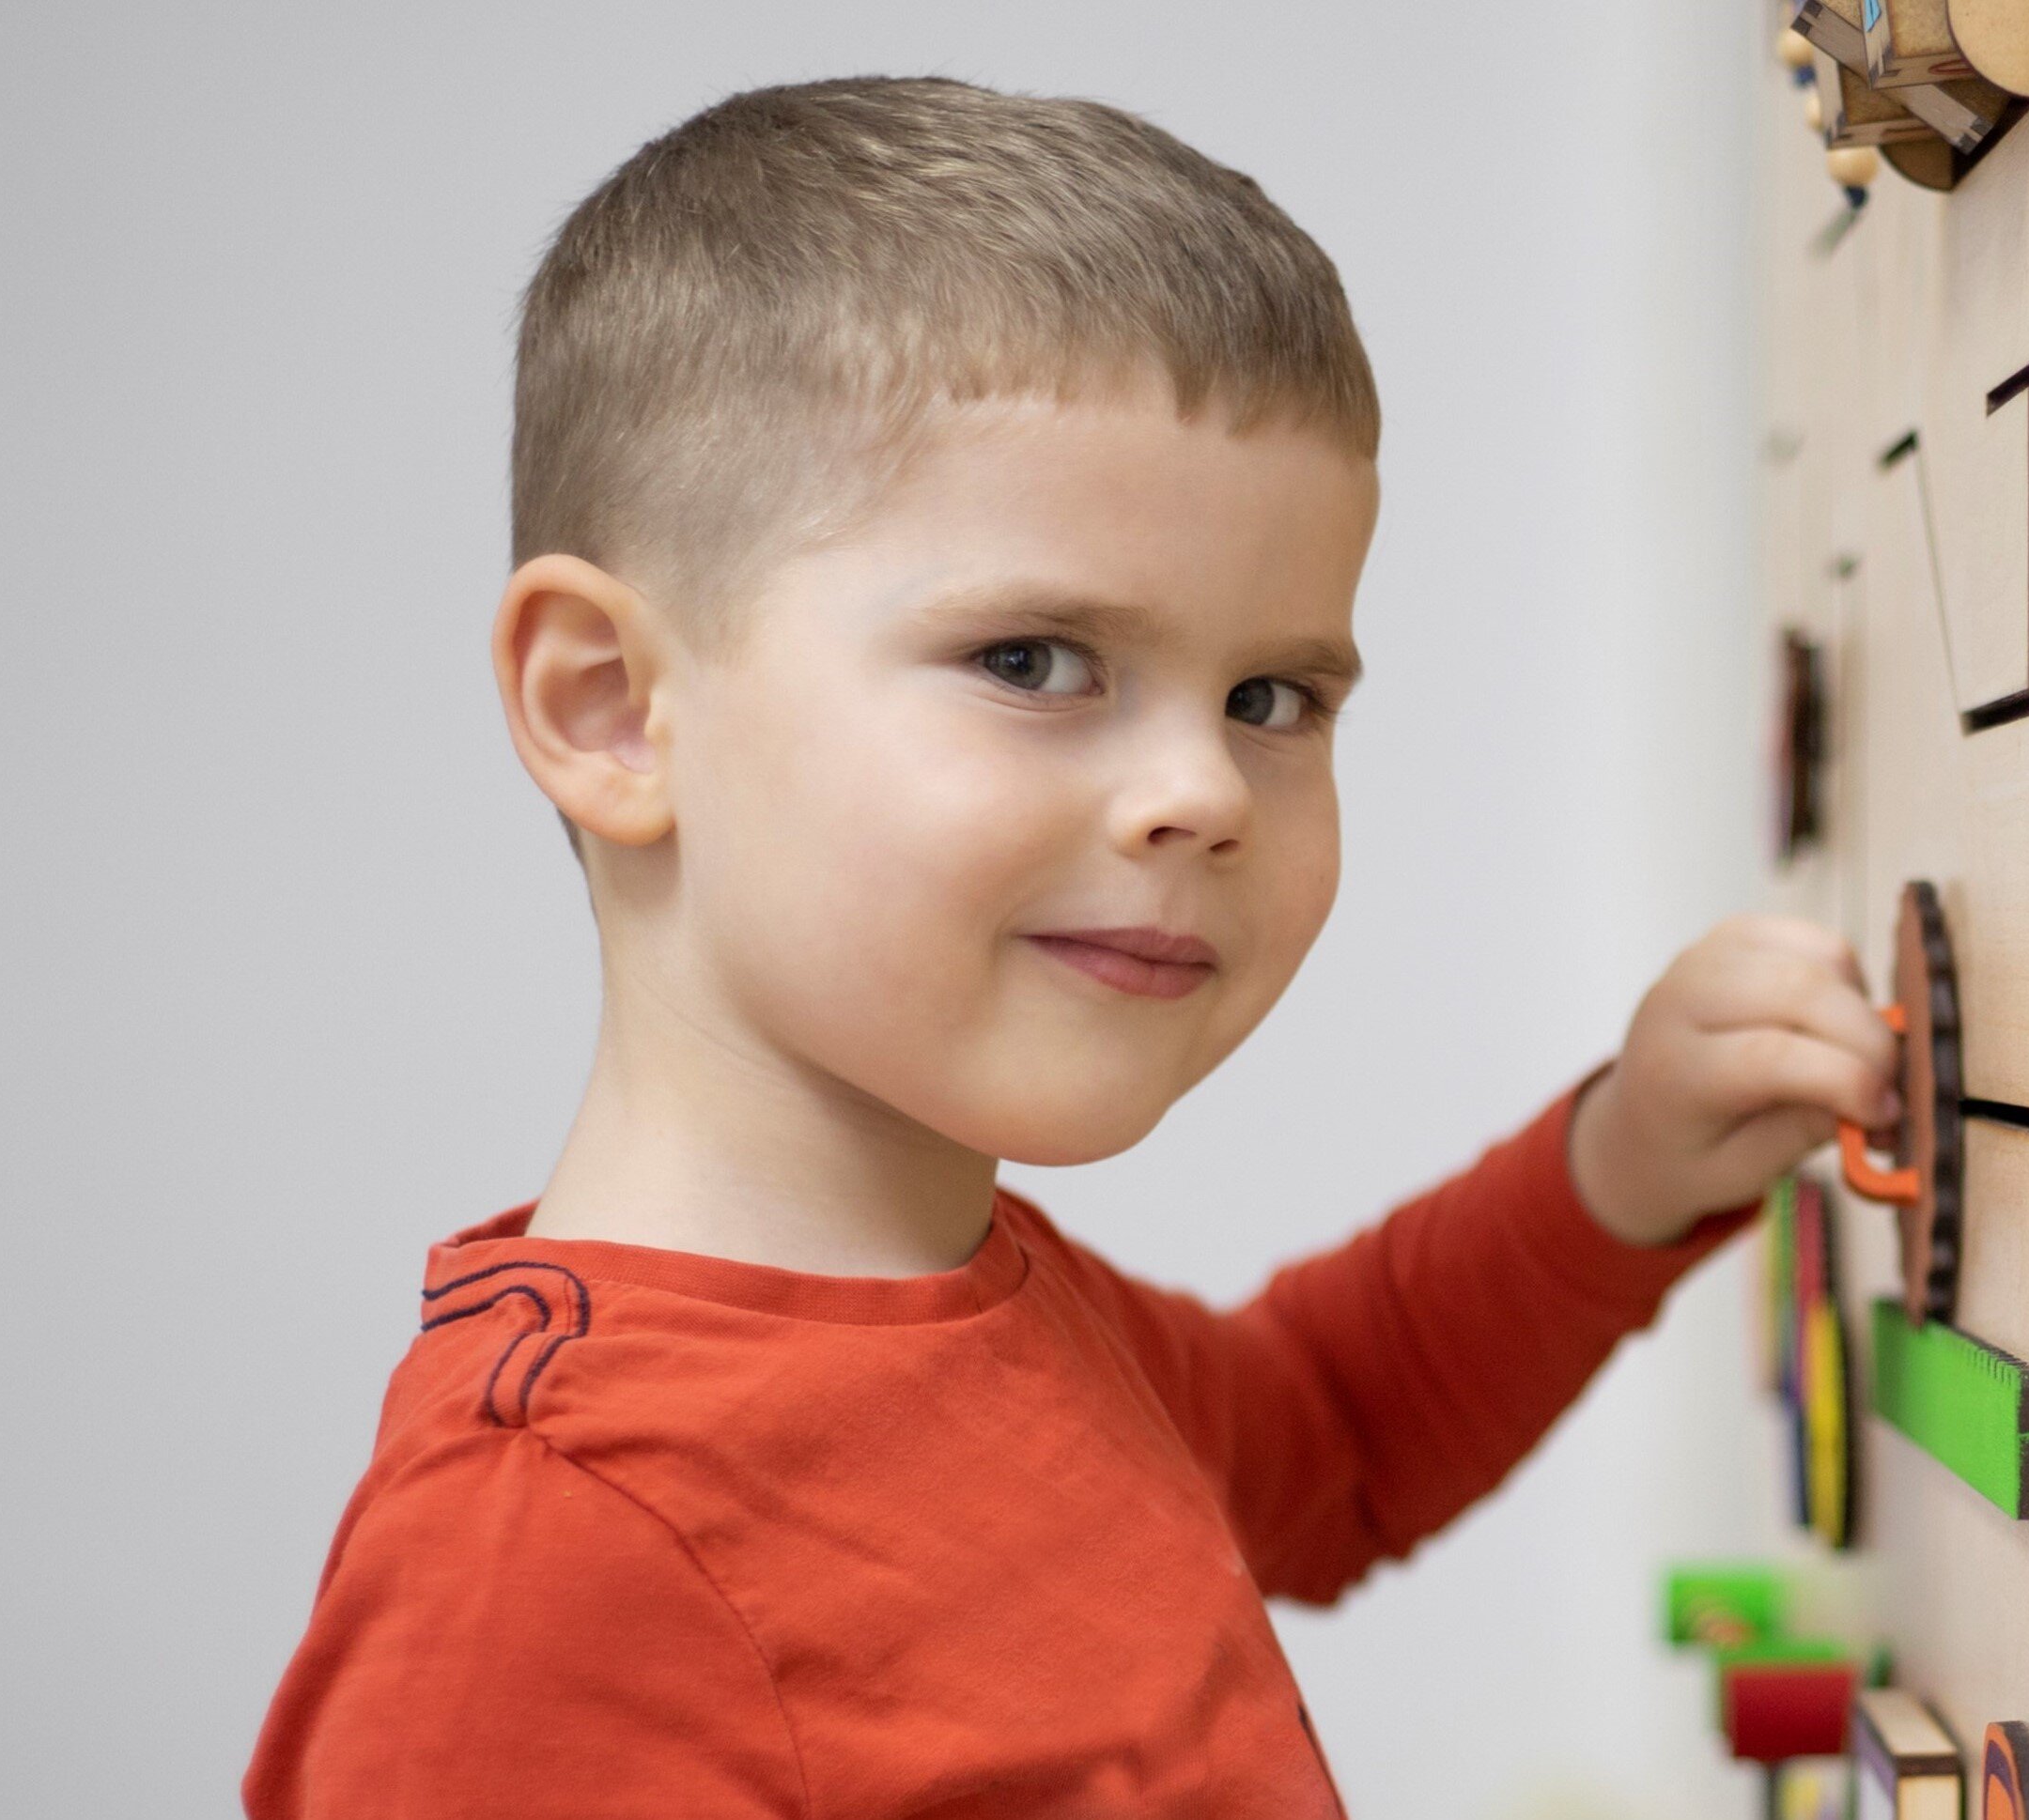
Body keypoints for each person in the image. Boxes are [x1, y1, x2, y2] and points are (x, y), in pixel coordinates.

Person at [244, 76, 1890, 1817]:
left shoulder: (1003, 1302)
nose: (1200, 790)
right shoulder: (545, 1556)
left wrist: (1624, 1157)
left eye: (1273, 697)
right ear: (615, 709)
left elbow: (1331, 1432)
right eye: (1035, 660)